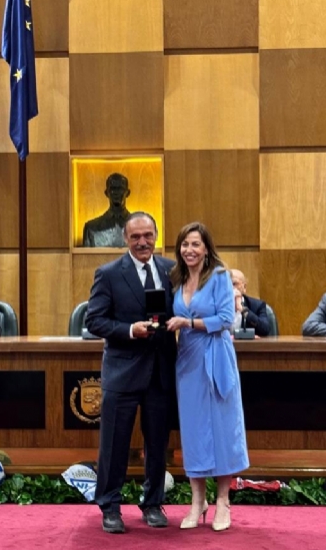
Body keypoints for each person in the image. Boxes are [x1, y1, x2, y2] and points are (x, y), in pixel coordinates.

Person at [85, 212, 177, 533]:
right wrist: (128, 330)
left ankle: (152, 503)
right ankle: (109, 506)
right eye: (135, 237)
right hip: (122, 372)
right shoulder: (108, 273)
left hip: (160, 373)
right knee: (114, 444)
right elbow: (94, 321)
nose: (142, 242)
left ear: (156, 235)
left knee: (157, 443)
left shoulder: (171, 270)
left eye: (148, 236)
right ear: (126, 238)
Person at [165, 222, 249, 532]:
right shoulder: (177, 278)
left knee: (223, 430)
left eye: (195, 244)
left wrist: (188, 322)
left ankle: (223, 501)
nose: (189, 250)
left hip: (216, 356)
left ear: (206, 248)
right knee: (195, 432)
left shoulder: (219, 277)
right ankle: (197, 501)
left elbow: (226, 320)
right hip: (187, 360)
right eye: (185, 244)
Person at [82, 173, 131, 247]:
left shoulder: (142, 227)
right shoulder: (91, 228)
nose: (116, 193)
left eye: (120, 188)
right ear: (106, 193)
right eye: (113, 189)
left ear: (127, 193)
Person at [229, 269, 271, 337]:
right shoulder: (216, 305)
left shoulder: (257, 305)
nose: (230, 287)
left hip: (248, 346)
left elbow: (265, 330)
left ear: (244, 287)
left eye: (234, 284)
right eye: (226, 284)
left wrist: (242, 309)